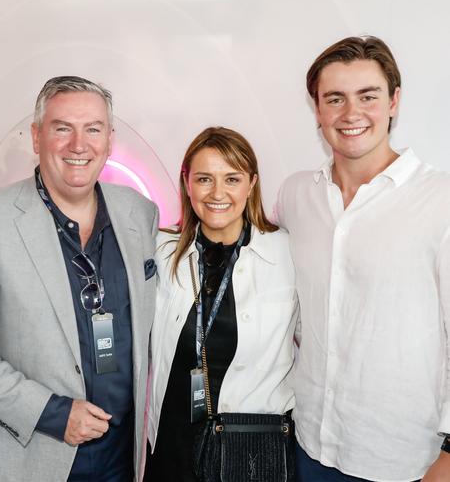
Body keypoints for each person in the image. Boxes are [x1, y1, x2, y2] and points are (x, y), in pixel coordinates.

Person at [0, 76, 159, 481]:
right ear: (36, 136)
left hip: (121, 456)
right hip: (32, 454)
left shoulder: (139, 212)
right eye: (62, 128)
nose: (78, 145)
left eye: (93, 129)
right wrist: (52, 413)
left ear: (110, 140)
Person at [275, 35, 450, 481]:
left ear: (393, 101)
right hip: (307, 443)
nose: (351, 114)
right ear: (317, 110)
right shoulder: (296, 194)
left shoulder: (441, 201)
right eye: (335, 99)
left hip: (404, 460)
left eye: (367, 96)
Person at [145, 126, 298, 481]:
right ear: (186, 183)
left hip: (250, 452)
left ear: (252, 184)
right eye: (204, 179)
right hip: (172, 445)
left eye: (232, 179)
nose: (217, 193)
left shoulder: (287, 253)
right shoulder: (160, 249)